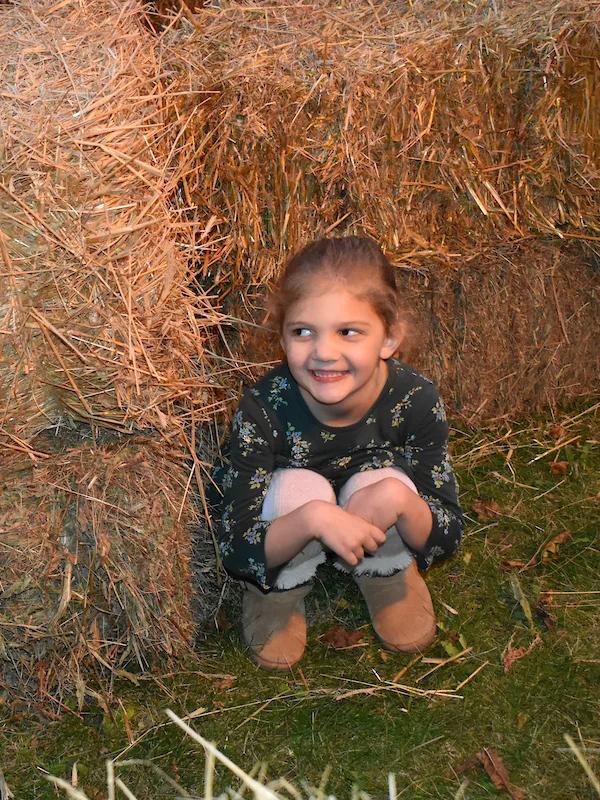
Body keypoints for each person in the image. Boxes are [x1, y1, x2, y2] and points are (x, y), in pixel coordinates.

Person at [213, 236, 463, 670]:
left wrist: (401, 502)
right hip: (293, 516)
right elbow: (236, 547)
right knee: (298, 491)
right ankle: (281, 589)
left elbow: (446, 535)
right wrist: (312, 517)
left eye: (348, 331)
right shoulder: (262, 408)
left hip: (372, 511)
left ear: (389, 339)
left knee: (388, 485)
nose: (324, 352)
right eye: (302, 331)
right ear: (282, 336)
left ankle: (386, 570)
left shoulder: (416, 400)